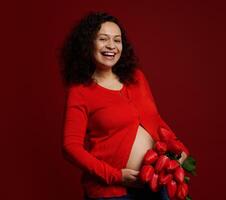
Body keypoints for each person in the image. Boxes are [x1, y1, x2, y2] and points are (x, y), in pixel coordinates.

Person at [60, 12, 190, 200]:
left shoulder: (136, 77)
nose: (111, 46)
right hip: (113, 192)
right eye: (103, 39)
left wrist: (180, 149)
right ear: (88, 44)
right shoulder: (80, 91)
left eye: (117, 40)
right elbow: (70, 147)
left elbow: (155, 120)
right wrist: (115, 175)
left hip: (156, 183)